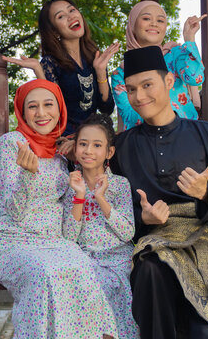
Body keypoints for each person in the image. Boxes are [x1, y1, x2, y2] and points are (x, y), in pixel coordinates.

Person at [110, 46, 208, 339]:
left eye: (147, 85)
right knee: (147, 270)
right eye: (131, 89)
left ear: (169, 82)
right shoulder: (122, 147)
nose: (139, 96)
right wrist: (142, 216)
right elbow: (116, 211)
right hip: (158, 242)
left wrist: (206, 193)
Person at [0, 79, 118, 338]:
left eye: (49, 104)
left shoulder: (60, 158)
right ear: (22, 112)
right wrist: (27, 175)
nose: (41, 113)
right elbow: (12, 212)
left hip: (56, 243)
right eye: (32, 106)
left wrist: (79, 179)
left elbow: (70, 229)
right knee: (46, 274)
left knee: (84, 271)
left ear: (60, 109)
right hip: (15, 242)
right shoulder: (10, 145)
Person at [62, 113, 139, 339]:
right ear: (75, 149)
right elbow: (69, 236)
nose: (88, 151)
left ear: (109, 152)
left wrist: (101, 198)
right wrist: (79, 196)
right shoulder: (70, 184)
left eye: (97, 145)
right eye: (83, 144)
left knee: (106, 286)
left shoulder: (119, 184)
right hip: (85, 258)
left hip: (117, 259)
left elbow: (127, 233)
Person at [3, 0, 119, 136]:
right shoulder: (50, 64)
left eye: (72, 10)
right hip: (65, 139)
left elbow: (107, 109)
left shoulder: (93, 58)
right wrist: (39, 72)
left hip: (92, 136)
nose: (71, 16)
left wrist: (100, 72)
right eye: (61, 16)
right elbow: (53, 110)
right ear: (54, 31)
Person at [111, 0, 205, 130]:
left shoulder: (174, 55)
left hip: (186, 134)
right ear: (132, 24)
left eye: (160, 20)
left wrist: (189, 39)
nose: (154, 23)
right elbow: (129, 115)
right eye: (146, 18)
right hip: (146, 141)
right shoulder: (121, 72)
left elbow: (196, 78)